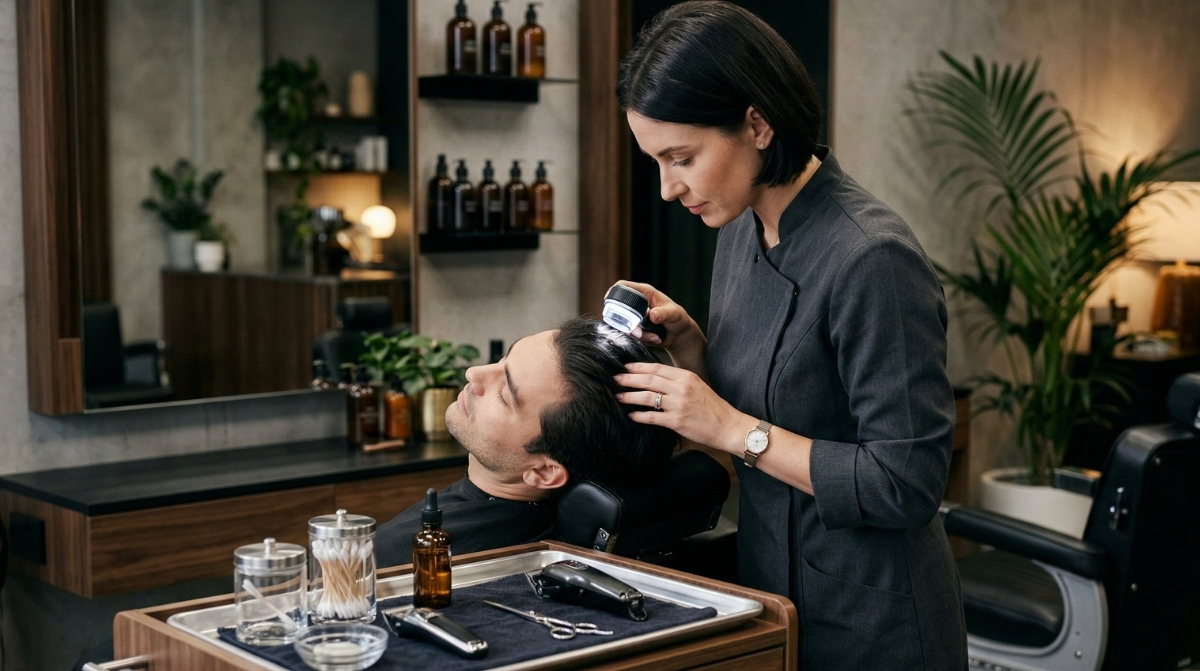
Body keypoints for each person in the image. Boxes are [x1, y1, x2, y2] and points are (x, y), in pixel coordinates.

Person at [613, 2, 966, 668]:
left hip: (874, 618)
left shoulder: (872, 258)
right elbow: (779, 402)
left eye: (681, 158)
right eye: (657, 162)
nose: (667, 188)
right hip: (774, 590)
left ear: (757, 124)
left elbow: (906, 483)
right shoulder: (741, 230)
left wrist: (729, 428)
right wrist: (692, 348)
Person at [375, 316, 679, 567]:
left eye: (504, 394)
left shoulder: (403, 561)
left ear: (544, 472)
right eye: (503, 359)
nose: (473, 373)